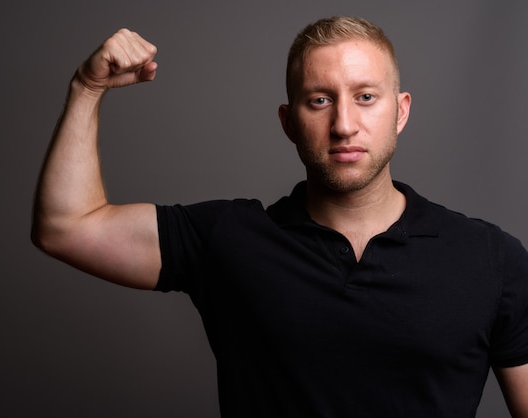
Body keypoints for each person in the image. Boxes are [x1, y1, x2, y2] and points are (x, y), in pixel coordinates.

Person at [32, 16, 528, 417]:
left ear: (400, 112)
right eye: (320, 100)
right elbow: (65, 228)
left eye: (365, 97)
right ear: (289, 122)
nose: (344, 124)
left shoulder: (490, 258)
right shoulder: (229, 240)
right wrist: (87, 88)